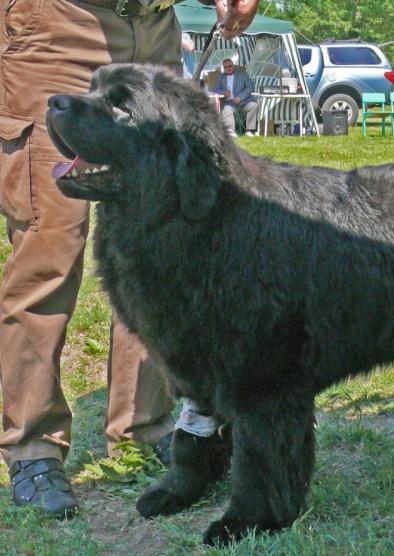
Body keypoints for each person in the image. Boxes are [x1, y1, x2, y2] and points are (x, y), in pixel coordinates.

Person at [0, 0, 258, 519]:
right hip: (60, 27)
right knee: (49, 252)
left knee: (159, 247)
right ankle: (32, 444)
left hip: (157, 31)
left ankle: (147, 421)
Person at [212, 58, 259, 137]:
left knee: (254, 105)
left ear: (233, 66)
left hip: (244, 102)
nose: (228, 68)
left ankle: (249, 131)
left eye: (230, 66)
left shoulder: (243, 74)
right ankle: (231, 131)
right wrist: (224, 93)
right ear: (224, 68)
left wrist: (240, 97)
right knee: (226, 108)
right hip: (230, 104)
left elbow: (250, 87)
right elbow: (216, 90)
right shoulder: (221, 77)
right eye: (226, 67)